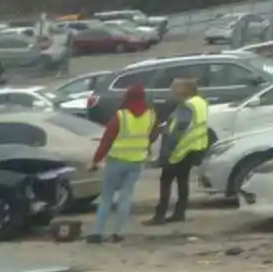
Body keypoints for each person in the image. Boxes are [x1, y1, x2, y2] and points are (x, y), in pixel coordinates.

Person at [88, 82, 153, 242]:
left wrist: (96, 160)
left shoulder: (121, 116)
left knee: (107, 197)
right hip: (137, 161)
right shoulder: (150, 114)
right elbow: (152, 134)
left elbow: (107, 140)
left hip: (117, 160)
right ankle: (119, 233)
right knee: (126, 197)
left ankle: (98, 233)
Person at [147, 77, 210, 225]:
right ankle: (179, 212)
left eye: (174, 90)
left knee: (166, 181)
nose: (172, 93)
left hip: (179, 151)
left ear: (182, 91)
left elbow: (175, 131)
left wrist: (164, 155)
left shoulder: (185, 106)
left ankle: (160, 215)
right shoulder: (200, 103)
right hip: (194, 148)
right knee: (183, 182)